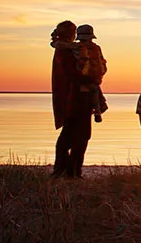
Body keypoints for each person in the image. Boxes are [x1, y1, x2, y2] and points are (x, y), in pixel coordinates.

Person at [50, 20, 95, 179]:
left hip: (73, 98)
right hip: (75, 99)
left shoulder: (67, 50)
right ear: (72, 34)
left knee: (72, 135)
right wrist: (91, 80)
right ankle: (69, 171)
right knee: (77, 136)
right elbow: (73, 75)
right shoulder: (65, 52)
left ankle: (67, 170)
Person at [74, 24, 108, 123]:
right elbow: (102, 63)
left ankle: (97, 111)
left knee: (93, 93)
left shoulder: (77, 47)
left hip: (85, 80)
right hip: (92, 79)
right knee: (94, 92)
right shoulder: (96, 48)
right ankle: (97, 111)